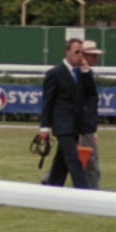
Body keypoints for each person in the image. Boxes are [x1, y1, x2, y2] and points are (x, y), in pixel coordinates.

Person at [38, 37, 91, 189]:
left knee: (62, 160)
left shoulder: (80, 73)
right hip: (62, 124)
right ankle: (84, 191)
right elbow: (48, 101)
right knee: (74, 159)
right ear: (68, 52)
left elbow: (90, 92)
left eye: (82, 52)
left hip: (75, 124)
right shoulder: (54, 73)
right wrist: (44, 127)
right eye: (77, 52)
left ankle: (53, 186)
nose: (80, 55)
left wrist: (86, 71)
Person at [76, 39, 101, 188]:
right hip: (83, 123)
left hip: (85, 122)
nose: (95, 58)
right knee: (90, 156)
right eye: (92, 55)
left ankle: (49, 180)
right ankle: (92, 186)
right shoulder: (80, 74)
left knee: (68, 155)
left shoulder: (86, 72)